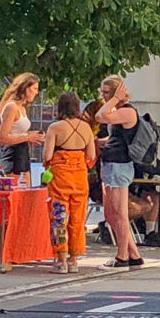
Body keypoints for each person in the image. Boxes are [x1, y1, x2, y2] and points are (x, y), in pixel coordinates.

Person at [42, 91, 97, 274]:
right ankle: (74, 260)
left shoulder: (55, 127)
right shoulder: (86, 127)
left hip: (60, 176)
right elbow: (91, 155)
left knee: (59, 217)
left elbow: (47, 155)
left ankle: (61, 260)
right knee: (77, 219)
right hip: (80, 176)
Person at [95, 76, 143, 268]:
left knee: (119, 213)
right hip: (110, 163)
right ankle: (134, 253)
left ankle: (122, 256)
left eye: (107, 92)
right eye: (102, 92)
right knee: (110, 214)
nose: (103, 96)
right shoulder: (117, 112)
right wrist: (98, 142)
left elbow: (100, 116)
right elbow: (115, 138)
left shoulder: (127, 111)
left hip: (119, 164)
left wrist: (115, 98)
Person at [0, 73, 45, 179]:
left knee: (26, 186)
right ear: (26, 89)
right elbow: (1, 138)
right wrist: (26, 137)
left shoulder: (21, 107)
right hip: (13, 155)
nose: (36, 92)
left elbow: (16, 132)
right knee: (18, 186)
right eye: (35, 89)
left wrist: (31, 135)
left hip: (22, 153)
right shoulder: (12, 107)